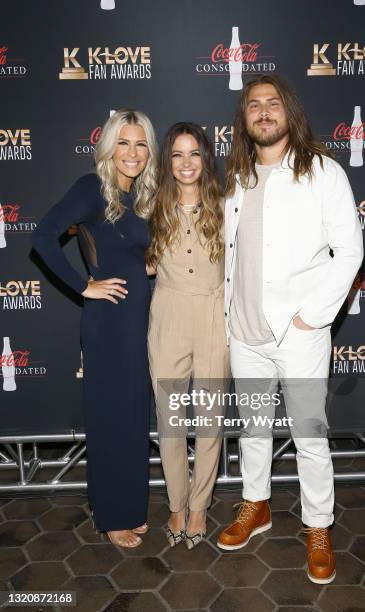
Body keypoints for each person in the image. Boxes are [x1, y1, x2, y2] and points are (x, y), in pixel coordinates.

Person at [217, 75, 363, 584]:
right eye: (253, 105)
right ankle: (255, 506)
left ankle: (318, 526)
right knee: (253, 430)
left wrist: (311, 317)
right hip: (245, 333)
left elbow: (350, 253)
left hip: (299, 334)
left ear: (288, 112)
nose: (262, 112)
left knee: (309, 435)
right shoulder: (236, 177)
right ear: (245, 118)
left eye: (271, 104)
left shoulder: (323, 172)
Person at [32, 109, 157, 548]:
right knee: (110, 419)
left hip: (138, 323)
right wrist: (84, 285)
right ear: (108, 146)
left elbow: (136, 254)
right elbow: (43, 237)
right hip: (108, 324)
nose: (132, 152)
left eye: (140, 144)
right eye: (123, 143)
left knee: (133, 419)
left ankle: (130, 508)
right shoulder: (92, 188)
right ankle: (111, 515)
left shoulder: (141, 196)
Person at [146, 122, 229, 549]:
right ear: (167, 162)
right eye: (177, 155)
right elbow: (132, 257)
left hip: (216, 315)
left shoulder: (225, 202)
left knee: (211, 421)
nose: (186, 163)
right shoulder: (151, 207)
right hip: (169, 315)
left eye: (193, 153)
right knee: (171, 421)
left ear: (205, 158)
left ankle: (199, 507)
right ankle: (176, 503)